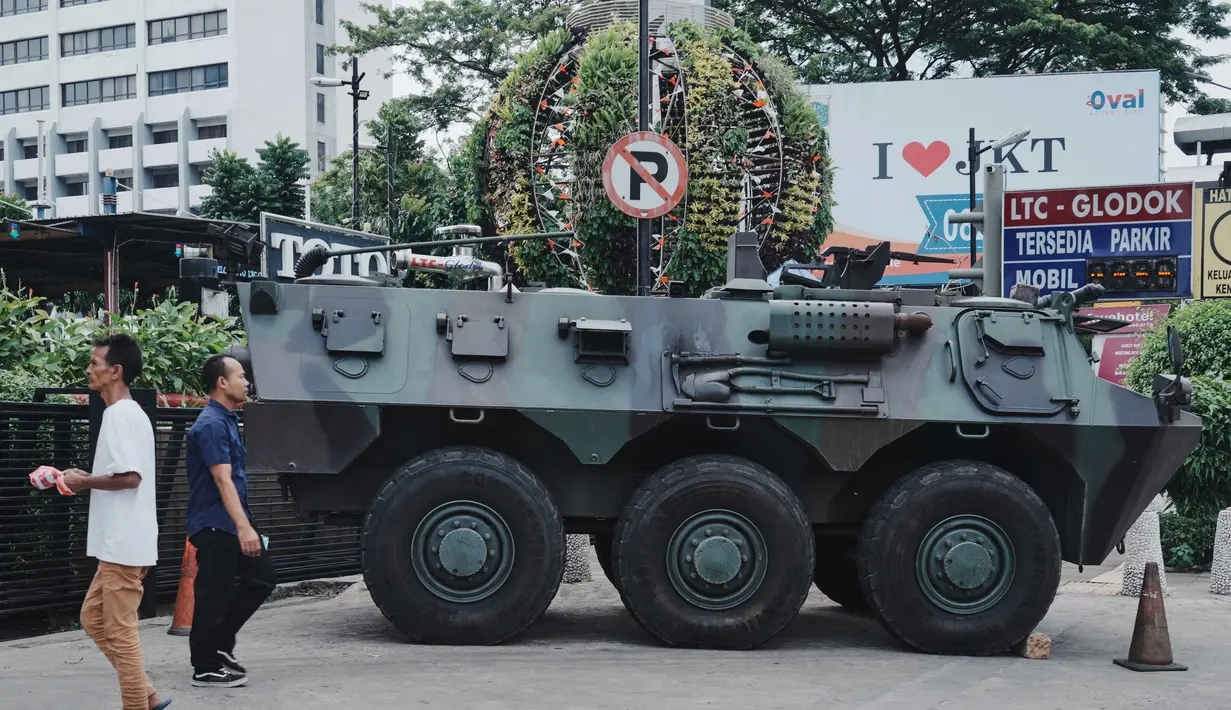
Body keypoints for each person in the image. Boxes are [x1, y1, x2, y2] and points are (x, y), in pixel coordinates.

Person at [60, 334, 171, 710]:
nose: (89, 370)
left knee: (121, 635)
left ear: (115, 371)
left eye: (95, 363)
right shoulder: (129, 413)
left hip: (123, 544)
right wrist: (81, 477)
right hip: (119, 543)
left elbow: (131, 477)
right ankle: (150, 696)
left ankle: (138, 704)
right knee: (93, 619)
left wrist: (82, 480)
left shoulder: (119, 414)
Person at [184, 353, 276, 688]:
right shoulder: (210, 425)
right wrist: (244, 527)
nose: (246, 381)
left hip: (229, 522)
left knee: (262, 578)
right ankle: (205, 666)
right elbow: (222, 480)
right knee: (213, 596)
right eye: (240, 375)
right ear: (222, 383)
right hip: (216, 524)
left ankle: (219, 644)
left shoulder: (225, 420)